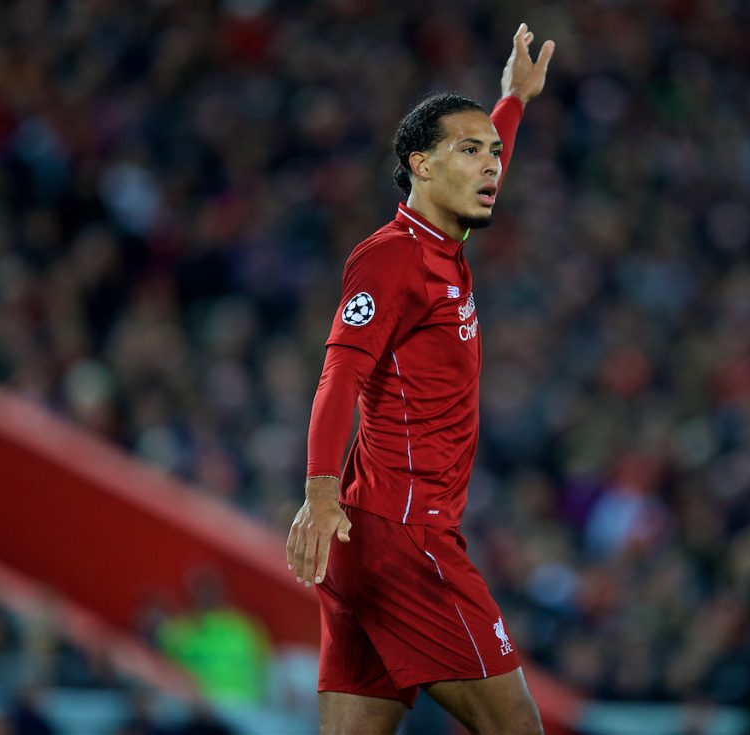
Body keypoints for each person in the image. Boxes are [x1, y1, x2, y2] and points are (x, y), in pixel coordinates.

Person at [286, 22, 555, 735]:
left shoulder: (444, 243)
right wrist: (317, 494)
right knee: (517, 728)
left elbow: (482, 163)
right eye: (470, 152)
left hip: (365, 545)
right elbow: (338, 375)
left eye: (495, 154)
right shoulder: (391, 260)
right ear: (421, 165)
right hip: (407, 539)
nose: (492, 166)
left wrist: (513, 101)